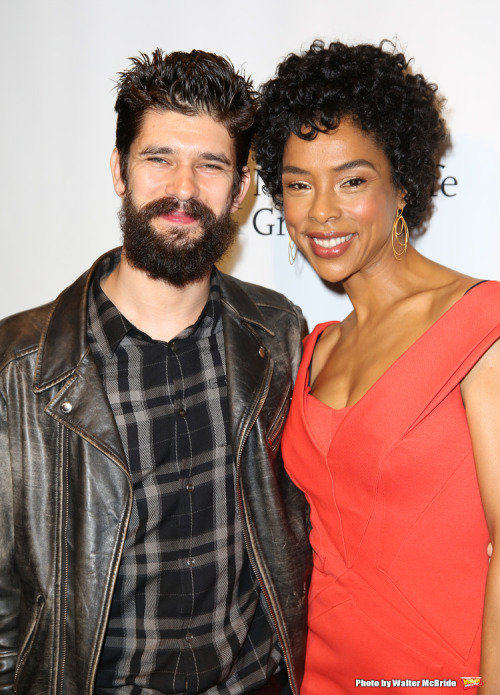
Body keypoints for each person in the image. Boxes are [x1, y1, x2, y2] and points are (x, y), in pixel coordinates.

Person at [0, 49, 312, 695]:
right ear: (119, 170)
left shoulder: (279, 334)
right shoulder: (17, 365)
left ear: (244, 185)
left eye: (211, 164)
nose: (184, 189)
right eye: (159, 158)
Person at [254, 40, 500, 693]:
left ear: (405, 185)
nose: (322, 210)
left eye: (352, 179)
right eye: (299, 184)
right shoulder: (315, 348)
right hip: (323, 675)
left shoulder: (483, 323)